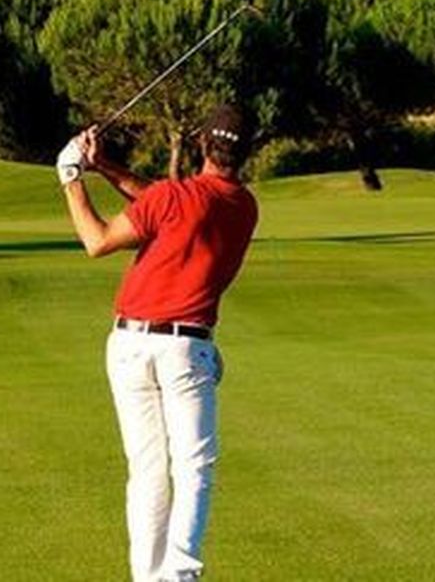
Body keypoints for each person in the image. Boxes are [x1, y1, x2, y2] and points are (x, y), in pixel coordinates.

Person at [56, 105, 259, 582]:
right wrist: (103, 165)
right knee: (193, 468)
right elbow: (162, 205)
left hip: (128, 347)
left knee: (148, 472)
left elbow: (97, 239)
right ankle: (179, 576)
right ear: (245, 152)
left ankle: (149, 578)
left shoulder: (172, 199)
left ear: (202, 144)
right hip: (187, 351)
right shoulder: (244, 206)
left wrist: (71, 176)